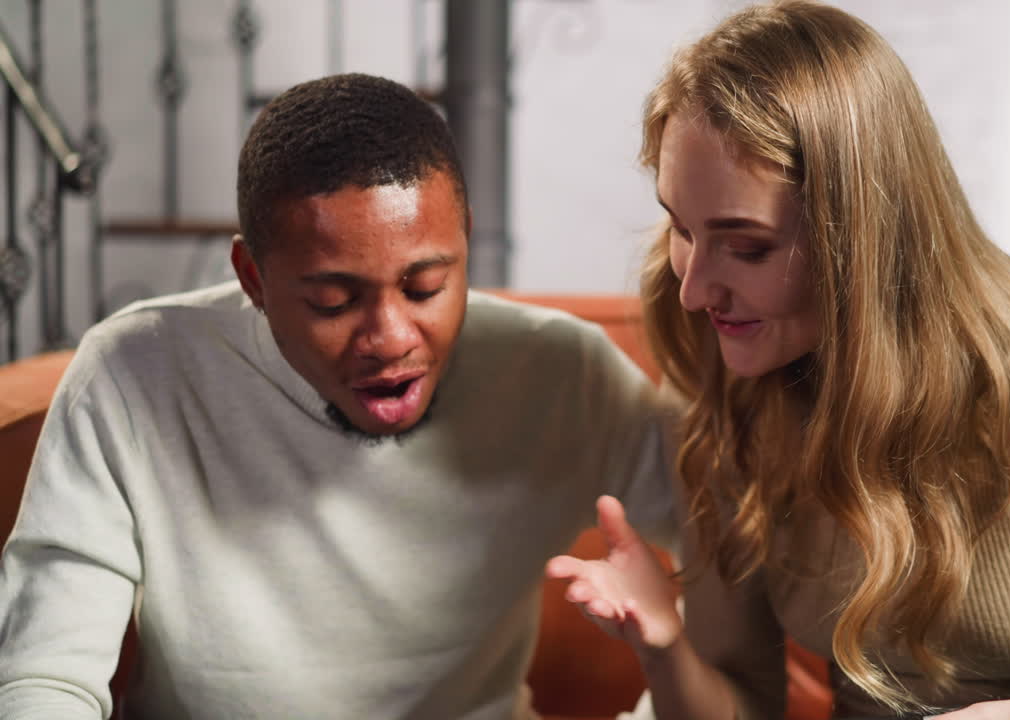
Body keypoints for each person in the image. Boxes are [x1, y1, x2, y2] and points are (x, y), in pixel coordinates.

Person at [547, 3, 1010, 719]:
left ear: (861, 238)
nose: (696, 288)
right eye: (680, 226)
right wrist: (665, 645)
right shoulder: (732, 391)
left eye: (748, 246)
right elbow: (745, 707)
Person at [0, 73, 676, 720]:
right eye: (333, 300)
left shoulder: (562, 372)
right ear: (252, 278)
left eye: (425, 288)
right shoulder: (132, 373)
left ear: (465, 239)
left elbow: (735, 556)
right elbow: (46, 674)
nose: (389, 338)